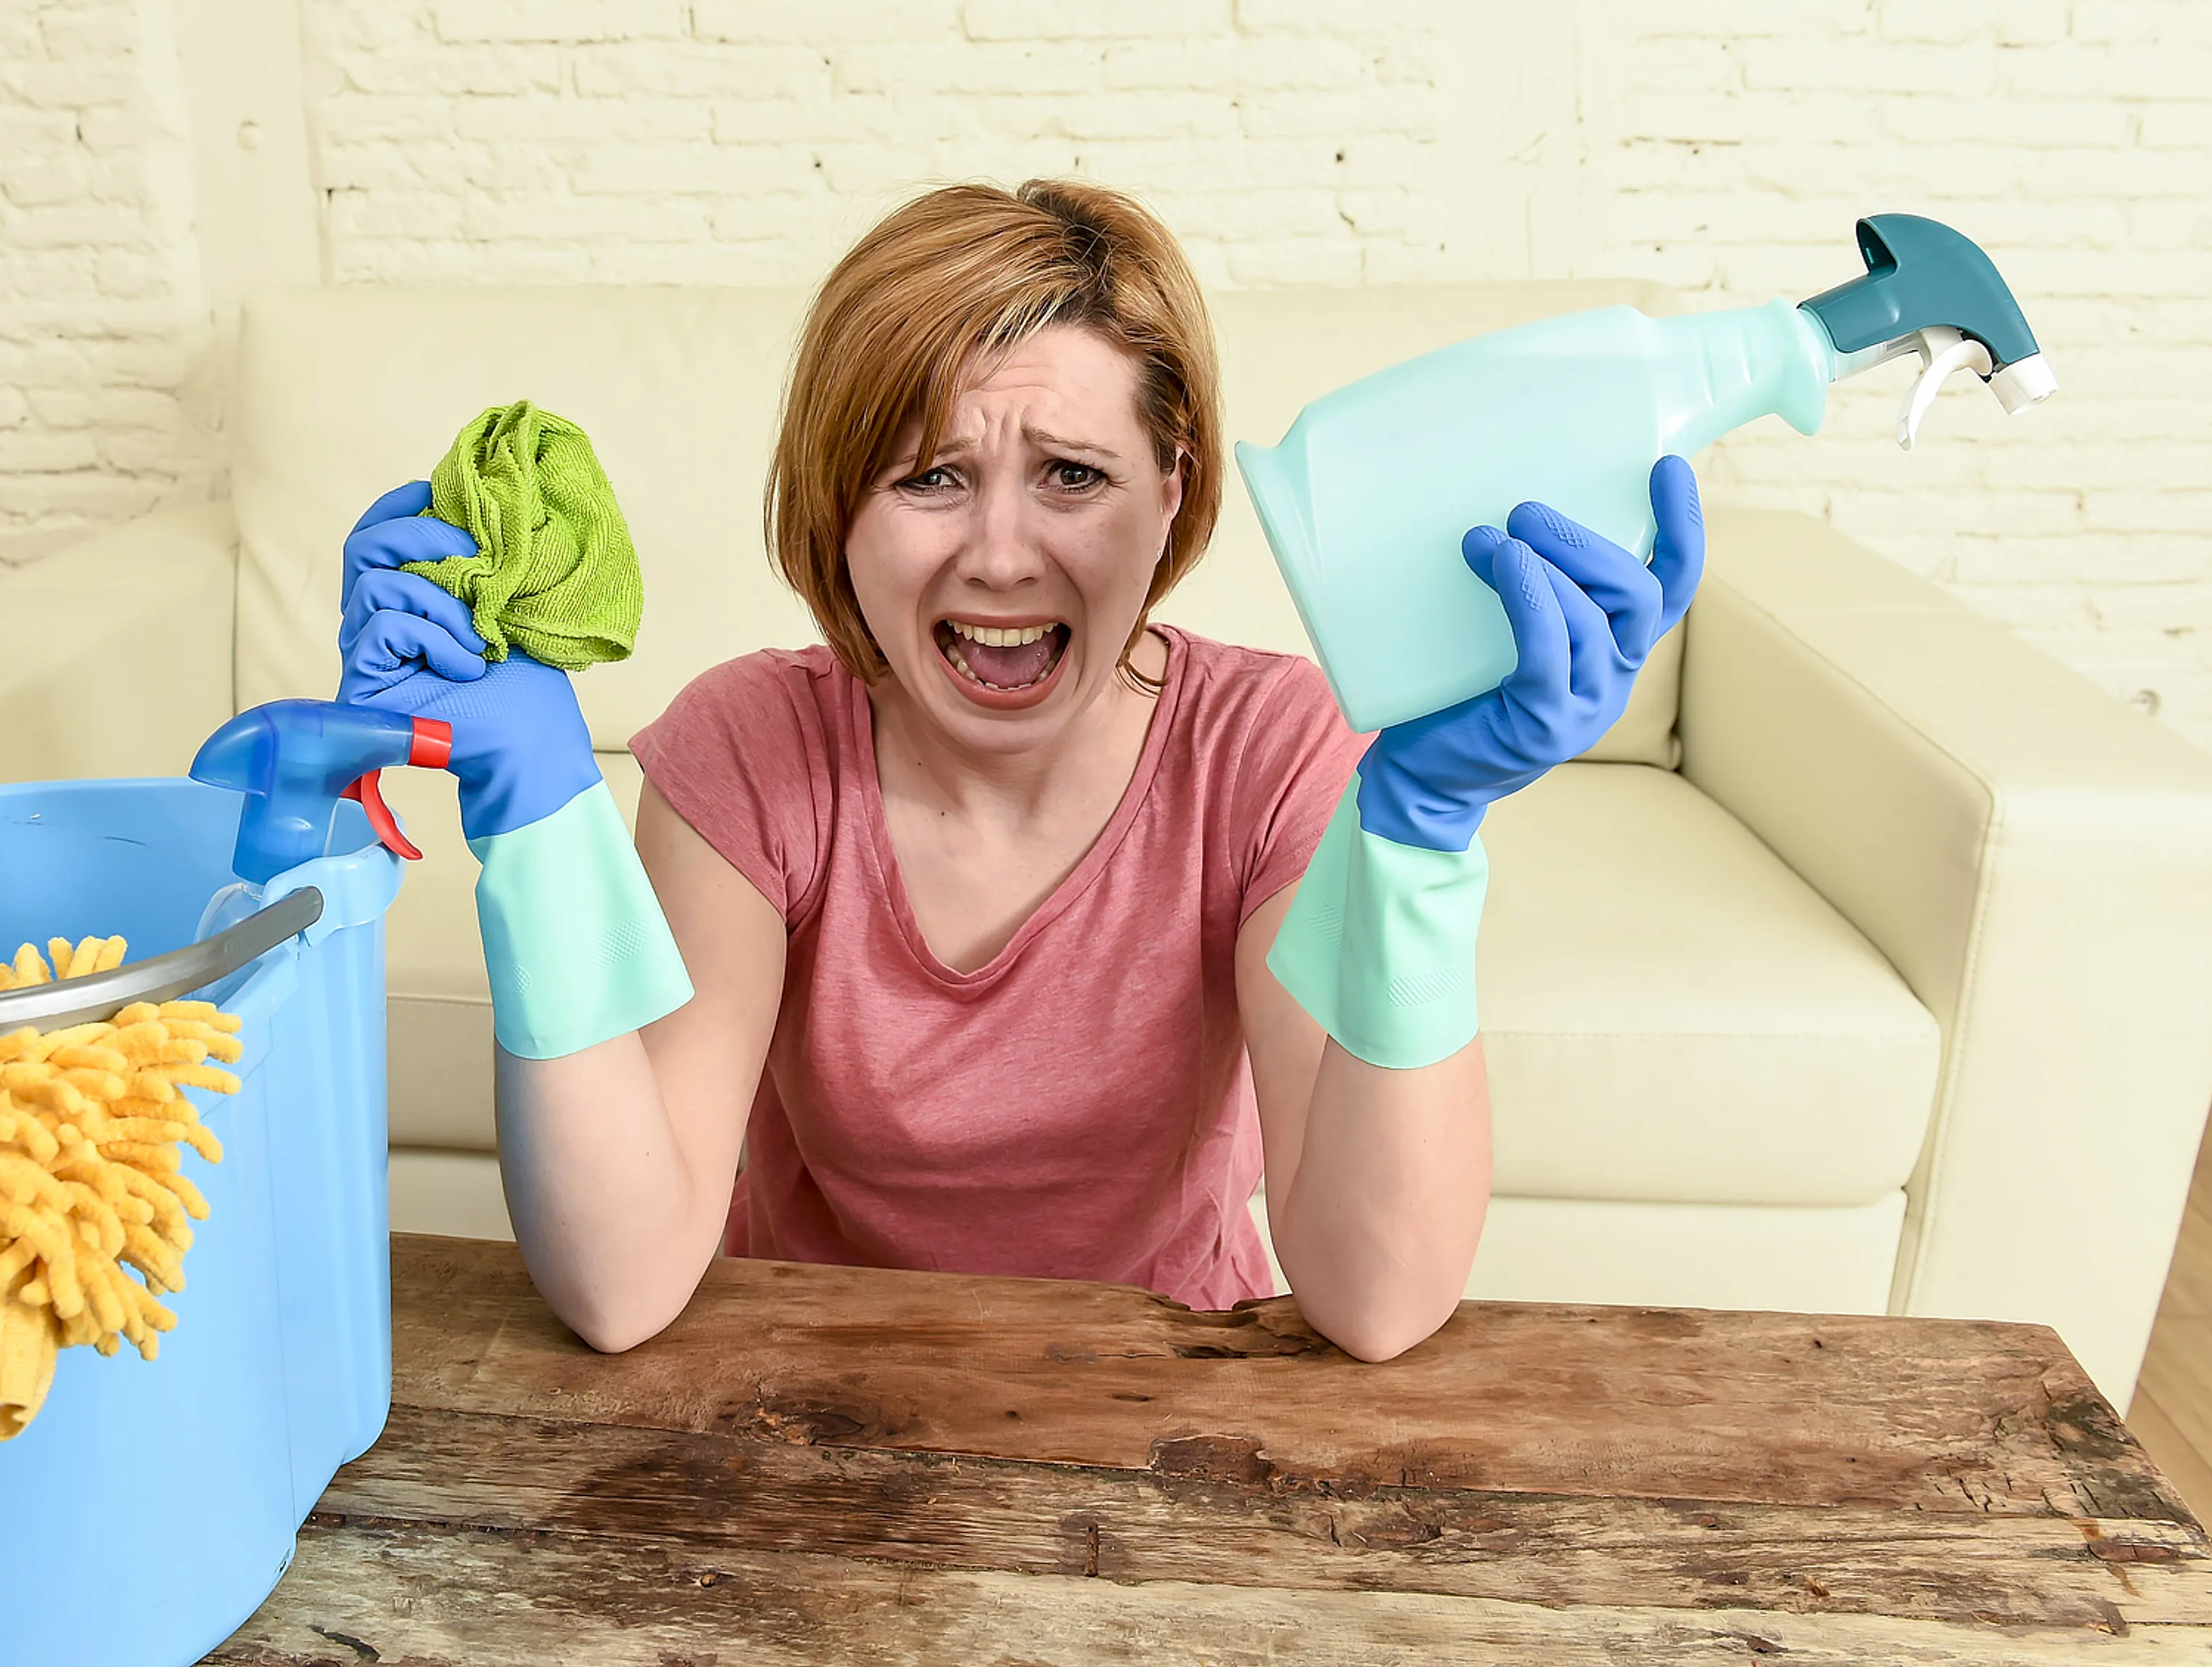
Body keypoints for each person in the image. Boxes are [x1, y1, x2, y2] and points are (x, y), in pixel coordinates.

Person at [336, 181, 1702, 1361]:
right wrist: (538, 822)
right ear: (836, 508)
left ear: (1172, 491)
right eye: (930, 477)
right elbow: (622, 1287)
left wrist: (1423, 835)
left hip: (1173, 1408)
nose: (999, 554)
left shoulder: (1269, 752)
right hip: (798, 1409)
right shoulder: (748, 749)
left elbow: (1381, 1300)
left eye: (1071, 476)